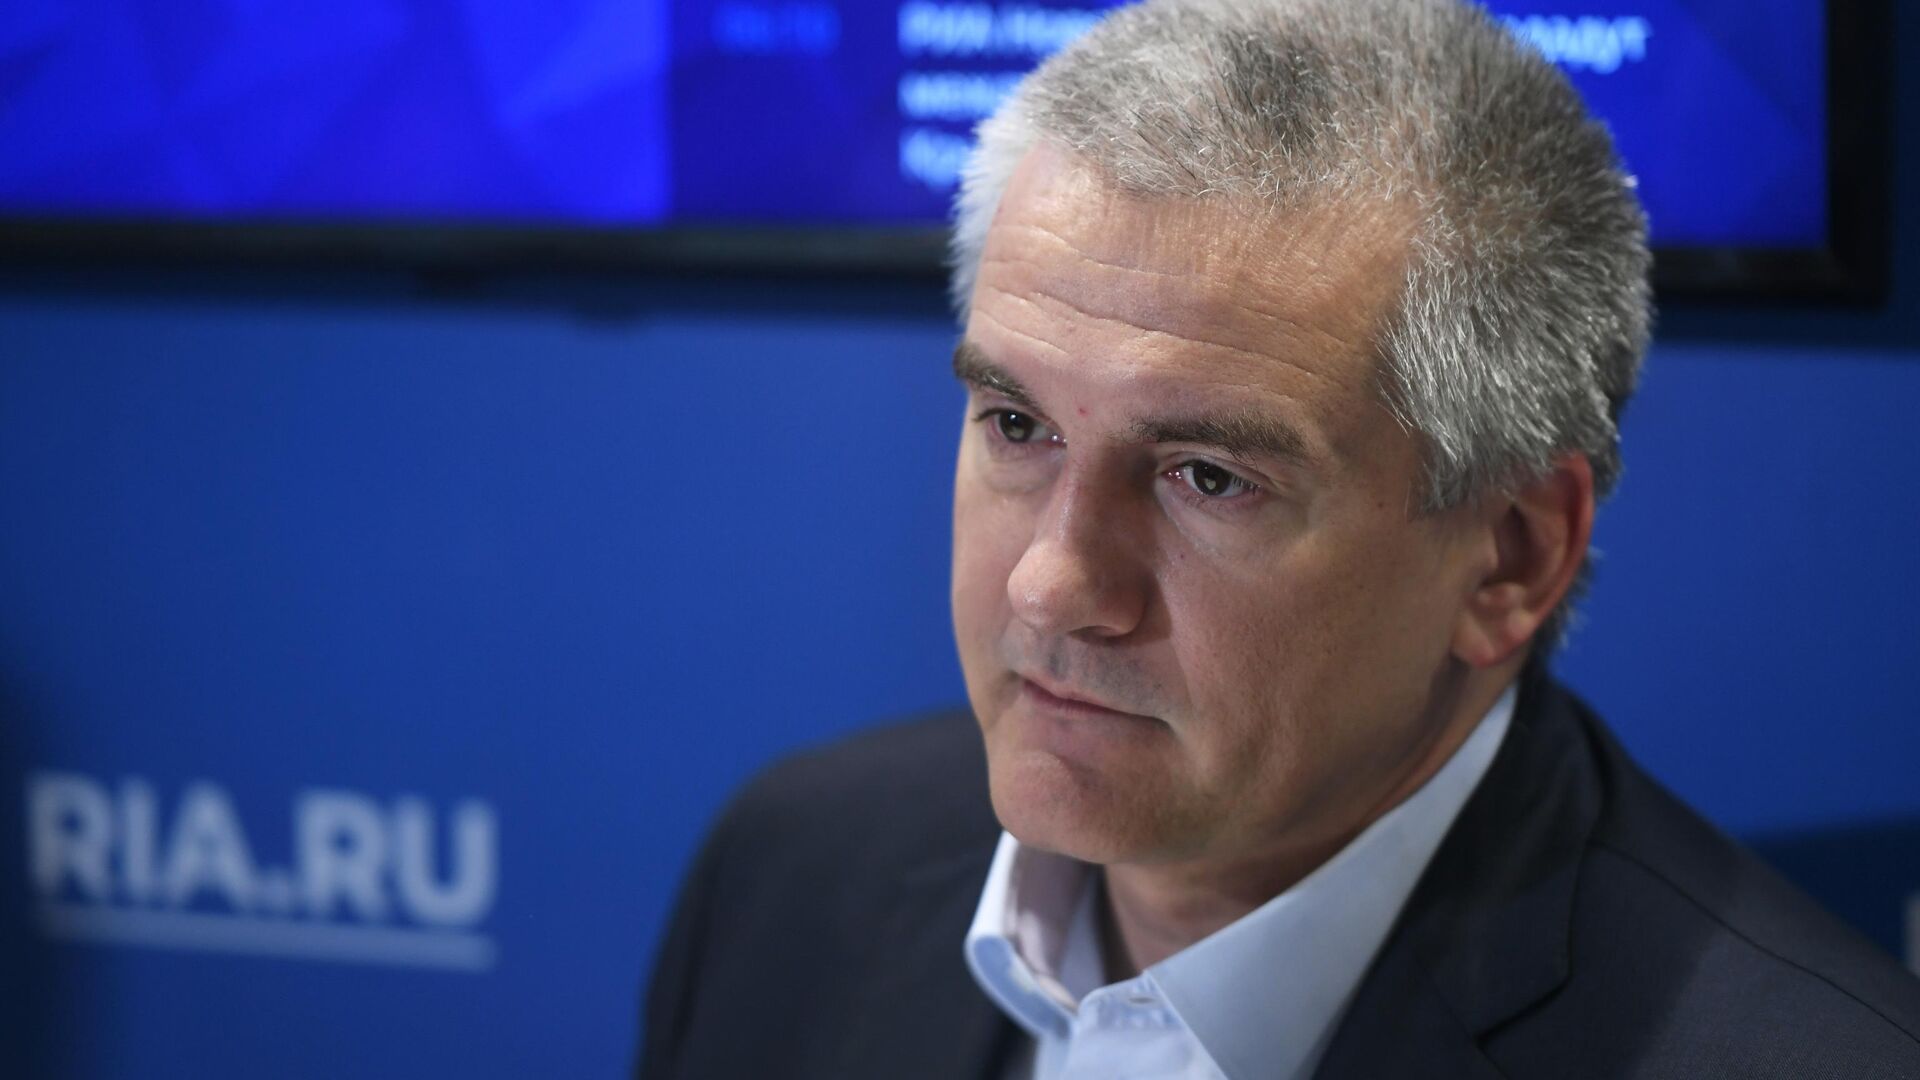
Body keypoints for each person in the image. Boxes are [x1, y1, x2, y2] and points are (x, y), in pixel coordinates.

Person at [636, 1, 1920, 1077]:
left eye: (1208, 477)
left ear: (1512, 557)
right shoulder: (791, 874)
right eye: (1019, 425)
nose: (1052, 583)